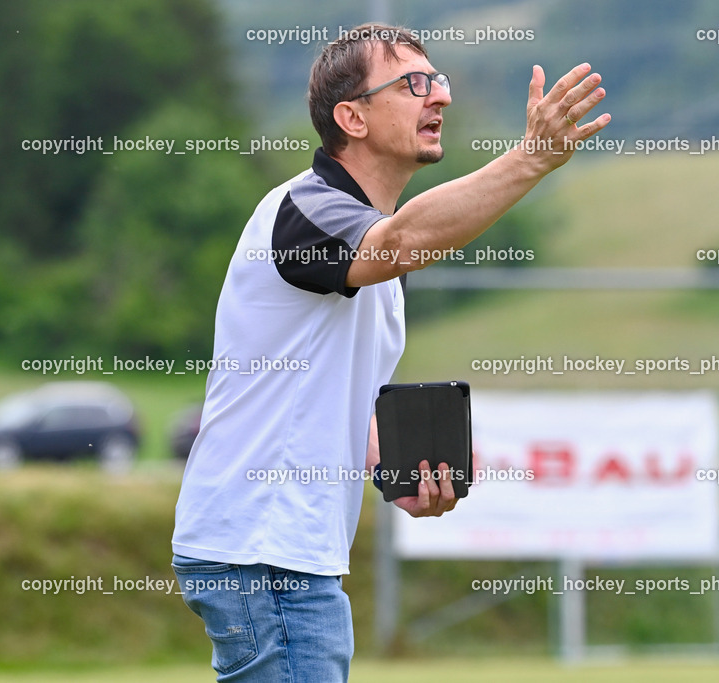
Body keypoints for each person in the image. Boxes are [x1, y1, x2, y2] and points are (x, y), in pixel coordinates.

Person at [171, 22, 609, 682]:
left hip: (278, 550)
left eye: (439, 81)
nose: (439, 98)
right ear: (351, 117)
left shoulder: (372, 247)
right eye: (412, 84)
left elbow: (337, 395)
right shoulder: (306, 210)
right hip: (265, 551)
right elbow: (402, 242)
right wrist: (531, 159)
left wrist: (396, 469)